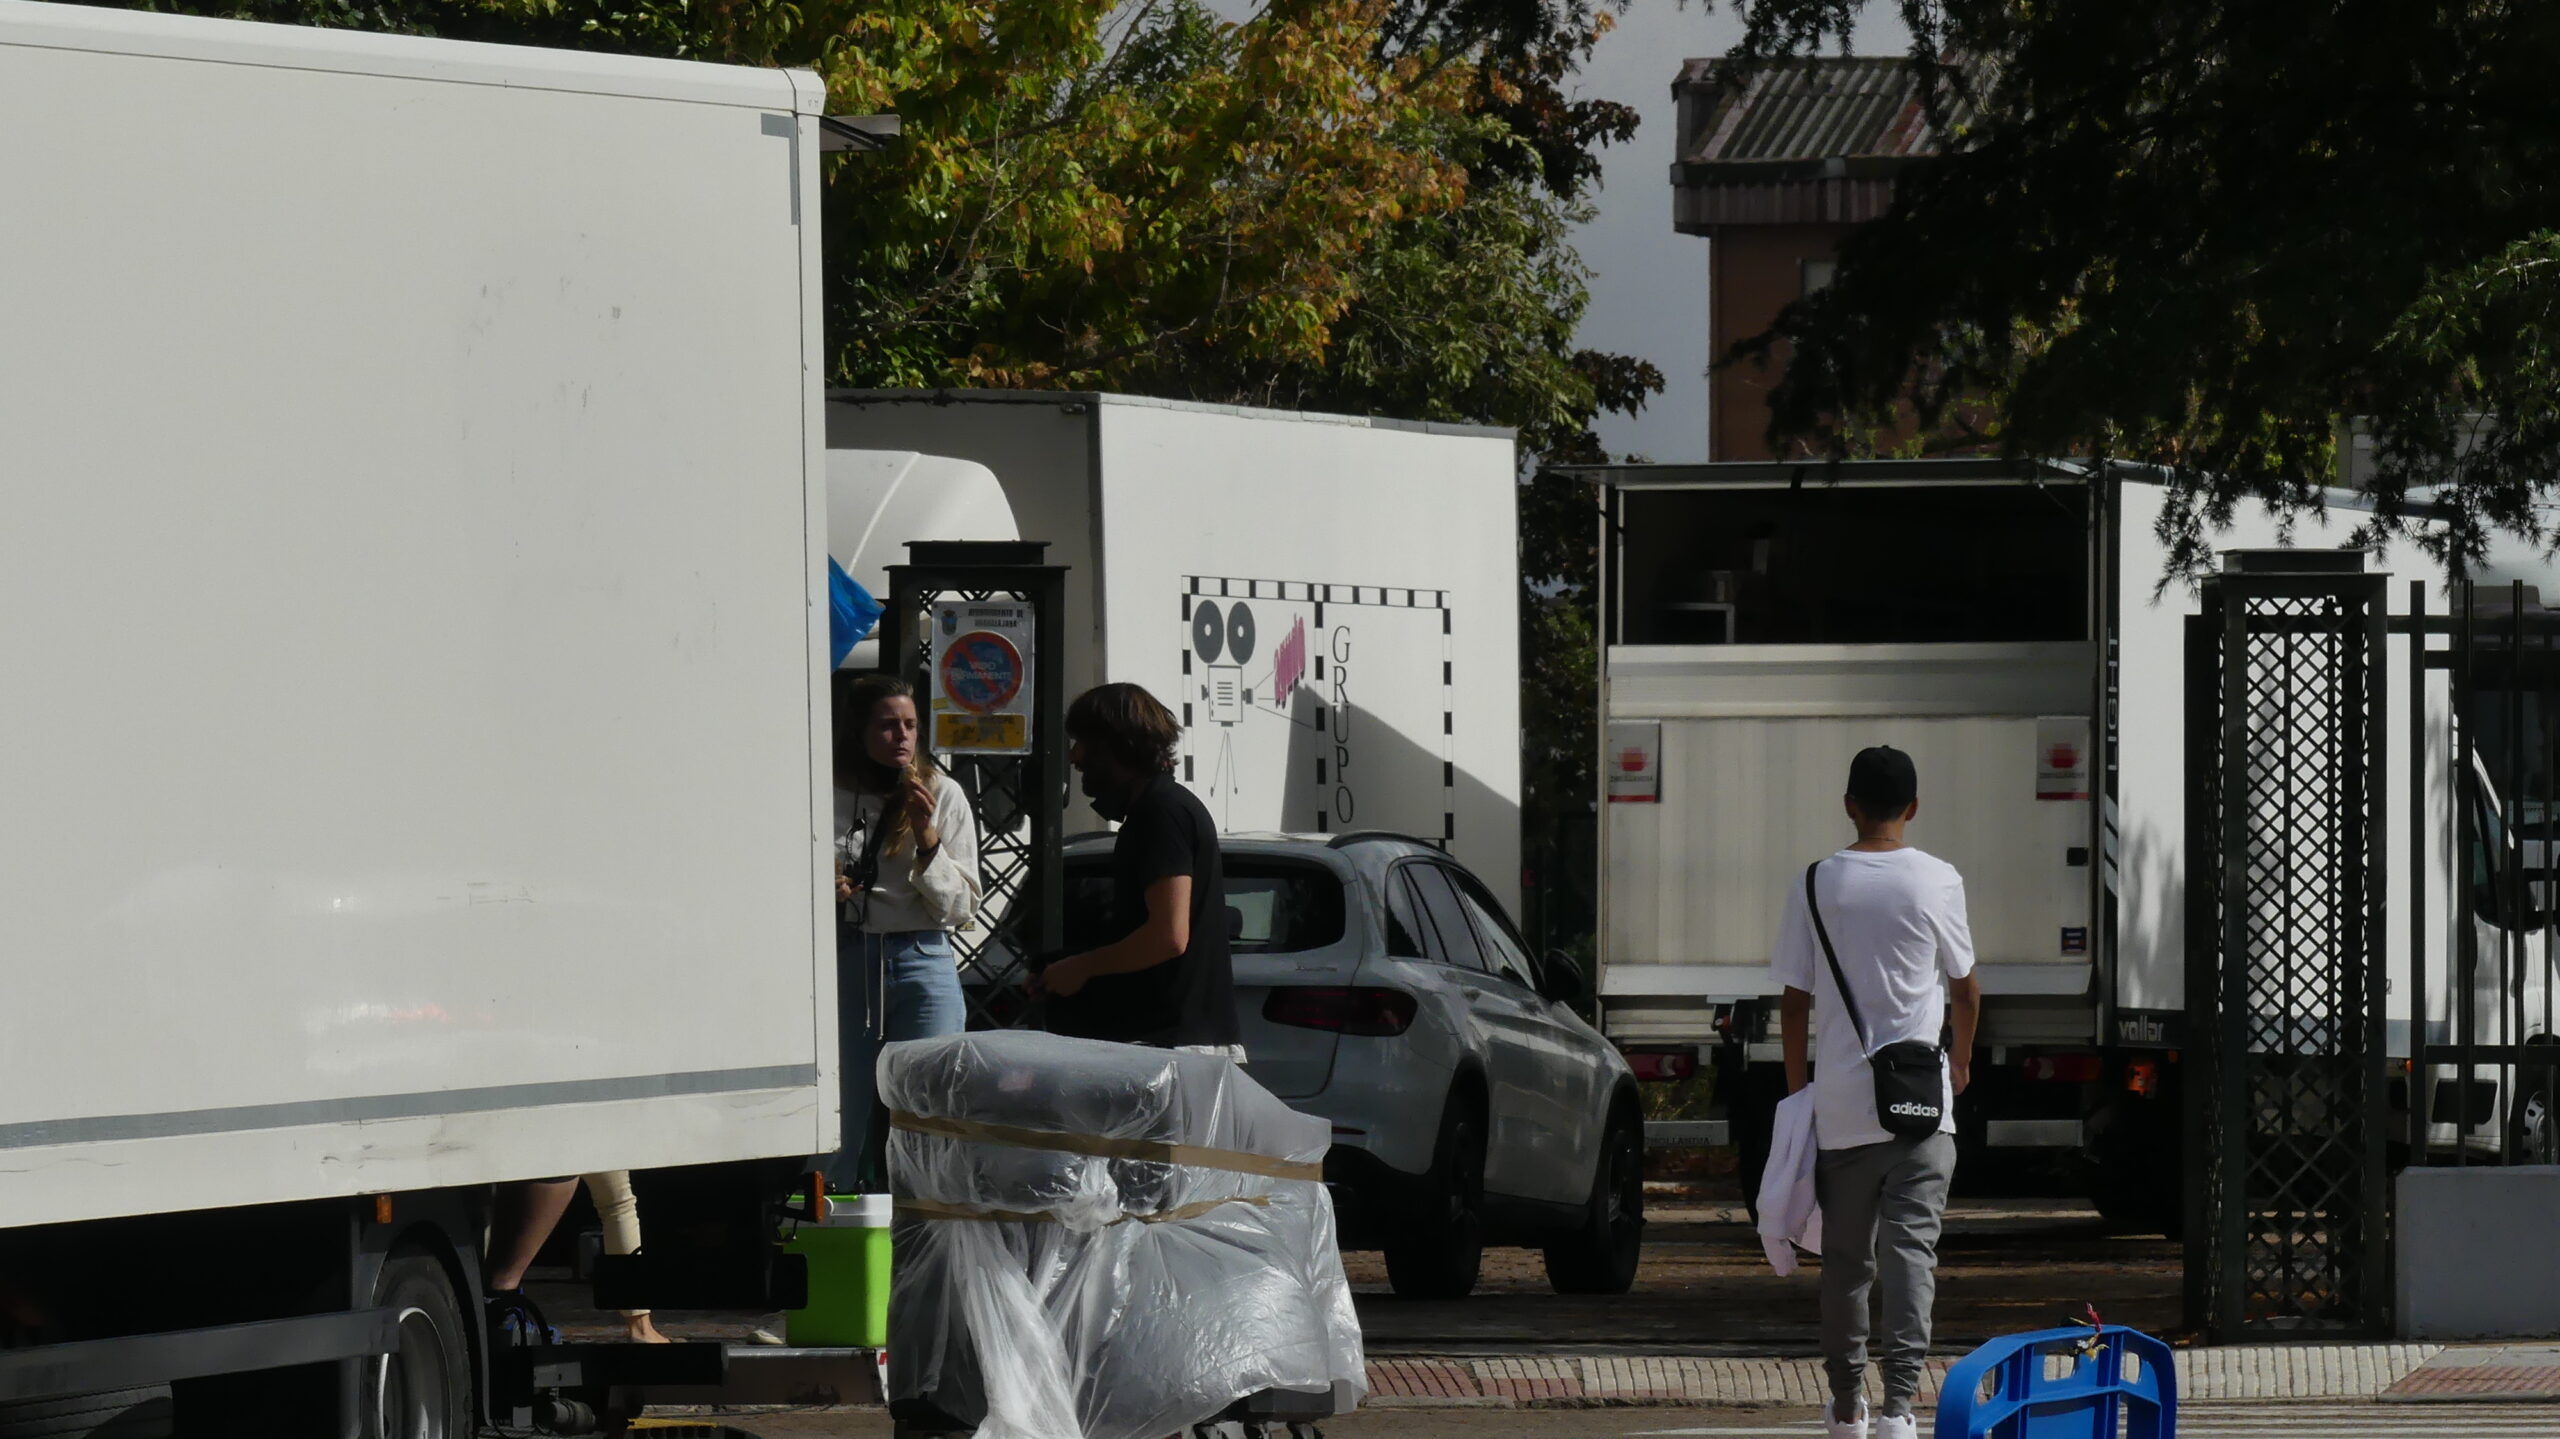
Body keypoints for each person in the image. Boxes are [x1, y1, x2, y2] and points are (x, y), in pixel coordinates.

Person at [1771, 745, 1982, 1439]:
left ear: (1850, 804)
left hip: (1844, 1112)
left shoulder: (1816, 883)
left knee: (1847, 1261)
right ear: (1913, 807)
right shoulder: (1939, 880)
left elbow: (1794, 1001)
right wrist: (1961, 1063)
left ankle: (1844, 1405)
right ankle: (1899, 1407)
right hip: (1924, 1108)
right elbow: (1965, 986)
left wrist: (1800, 1086)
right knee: (1911, 1255)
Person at [827, 671, 982, 1192]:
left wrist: (928, 841)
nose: (903, 737)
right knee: (842, 1107)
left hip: (921, 955)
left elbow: (961, 908)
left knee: (927, 1104)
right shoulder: (825, 791)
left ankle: (926, 1222)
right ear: (859, 732)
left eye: (911, 725)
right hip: (849, 955)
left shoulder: (942, 792)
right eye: (888, 726)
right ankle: (836, 1225)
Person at [1030, 683, 1239, 1056]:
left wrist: (1081, 968)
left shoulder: (1160, 813)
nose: (1074, 756)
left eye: (1082, 742)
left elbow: (1168, 936)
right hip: (1171, 1042)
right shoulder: (1165, 808)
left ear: (1117, 745)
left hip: (1171, 1047)